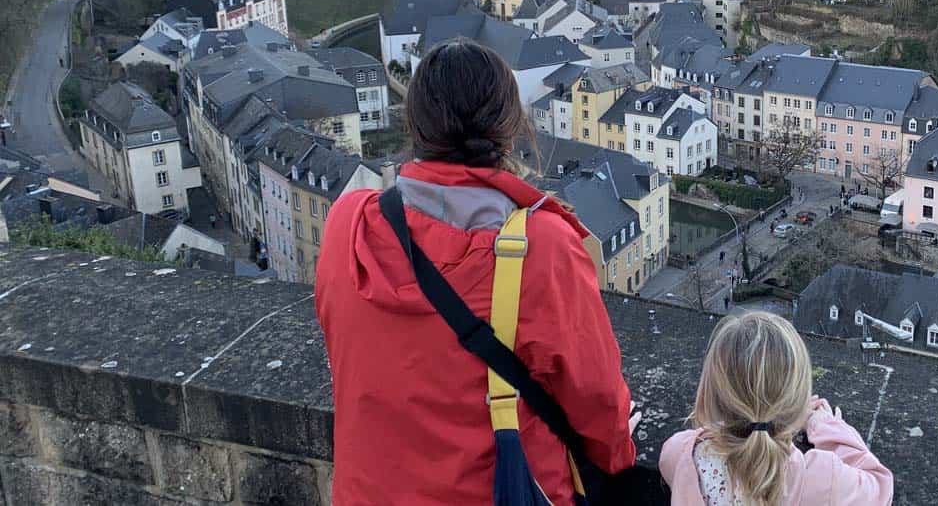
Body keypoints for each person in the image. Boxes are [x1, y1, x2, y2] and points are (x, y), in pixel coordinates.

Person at [316, 39, 637, 505]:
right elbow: (597, 401)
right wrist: (621, 459)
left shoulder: (350, 223)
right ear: (509, 130)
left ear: (416, 124)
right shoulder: (540, 247)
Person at [661, 312, 892, 506]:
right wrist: (825, 424)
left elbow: (717, 439)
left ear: (712, 390)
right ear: (796, 403)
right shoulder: (819, 478)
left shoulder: (681, 455)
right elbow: (881, 487)